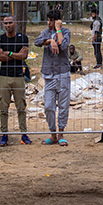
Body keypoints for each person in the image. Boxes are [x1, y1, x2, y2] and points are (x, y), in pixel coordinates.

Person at [34, 9, 71, 146]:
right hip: (49, 74)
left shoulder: (66, 32)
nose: (48, 22)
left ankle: (61, 133)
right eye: (48, 20)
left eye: (51, 20)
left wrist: (58, 30)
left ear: (57, 21)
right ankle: (53, 133)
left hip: (63, 74)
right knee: (49, 106)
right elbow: (37, 42)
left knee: (63, 106)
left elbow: (64, 45)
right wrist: (50, 41)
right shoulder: (45, 33)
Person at [0, 15, 31, 146]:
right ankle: (4, 134)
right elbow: (0, 57)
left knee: (21, 106)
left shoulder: (23, 38)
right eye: (5, 23)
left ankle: (24, 133)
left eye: (10, 22)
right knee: (3, 107)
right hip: (4, 76)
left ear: (15, 23)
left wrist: (9, 53)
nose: (8, 25)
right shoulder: (1, 39)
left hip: (18, 76)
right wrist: (16, 55)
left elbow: (24, 55)